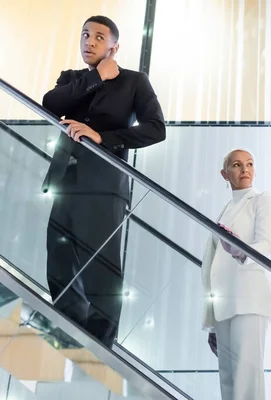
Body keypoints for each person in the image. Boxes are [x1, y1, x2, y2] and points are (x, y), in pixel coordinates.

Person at [41, 15, 166, 348]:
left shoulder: (135, 82)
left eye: (98, 37)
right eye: (85, 35)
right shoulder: (73, 79)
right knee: (59, 264)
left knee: (101, 272)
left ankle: (99, 346)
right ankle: (68, 337)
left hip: (104, 186)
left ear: (114, 46)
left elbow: (156, 128)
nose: (89, 41)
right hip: (65, 181)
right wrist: (97, 77)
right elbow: (50, 103)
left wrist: (103, 137)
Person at [201, 149, 271, 400]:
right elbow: (213, 265)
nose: (245, 169)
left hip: (248, 300)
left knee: (247, 378)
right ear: (225, 174)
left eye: (250, 164)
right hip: (223, 305)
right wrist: (211, 321)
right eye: (237, 164)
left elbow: (266, 243)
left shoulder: (261, 200)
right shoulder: (225, 210)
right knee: (228, 378)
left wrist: (241, 252)